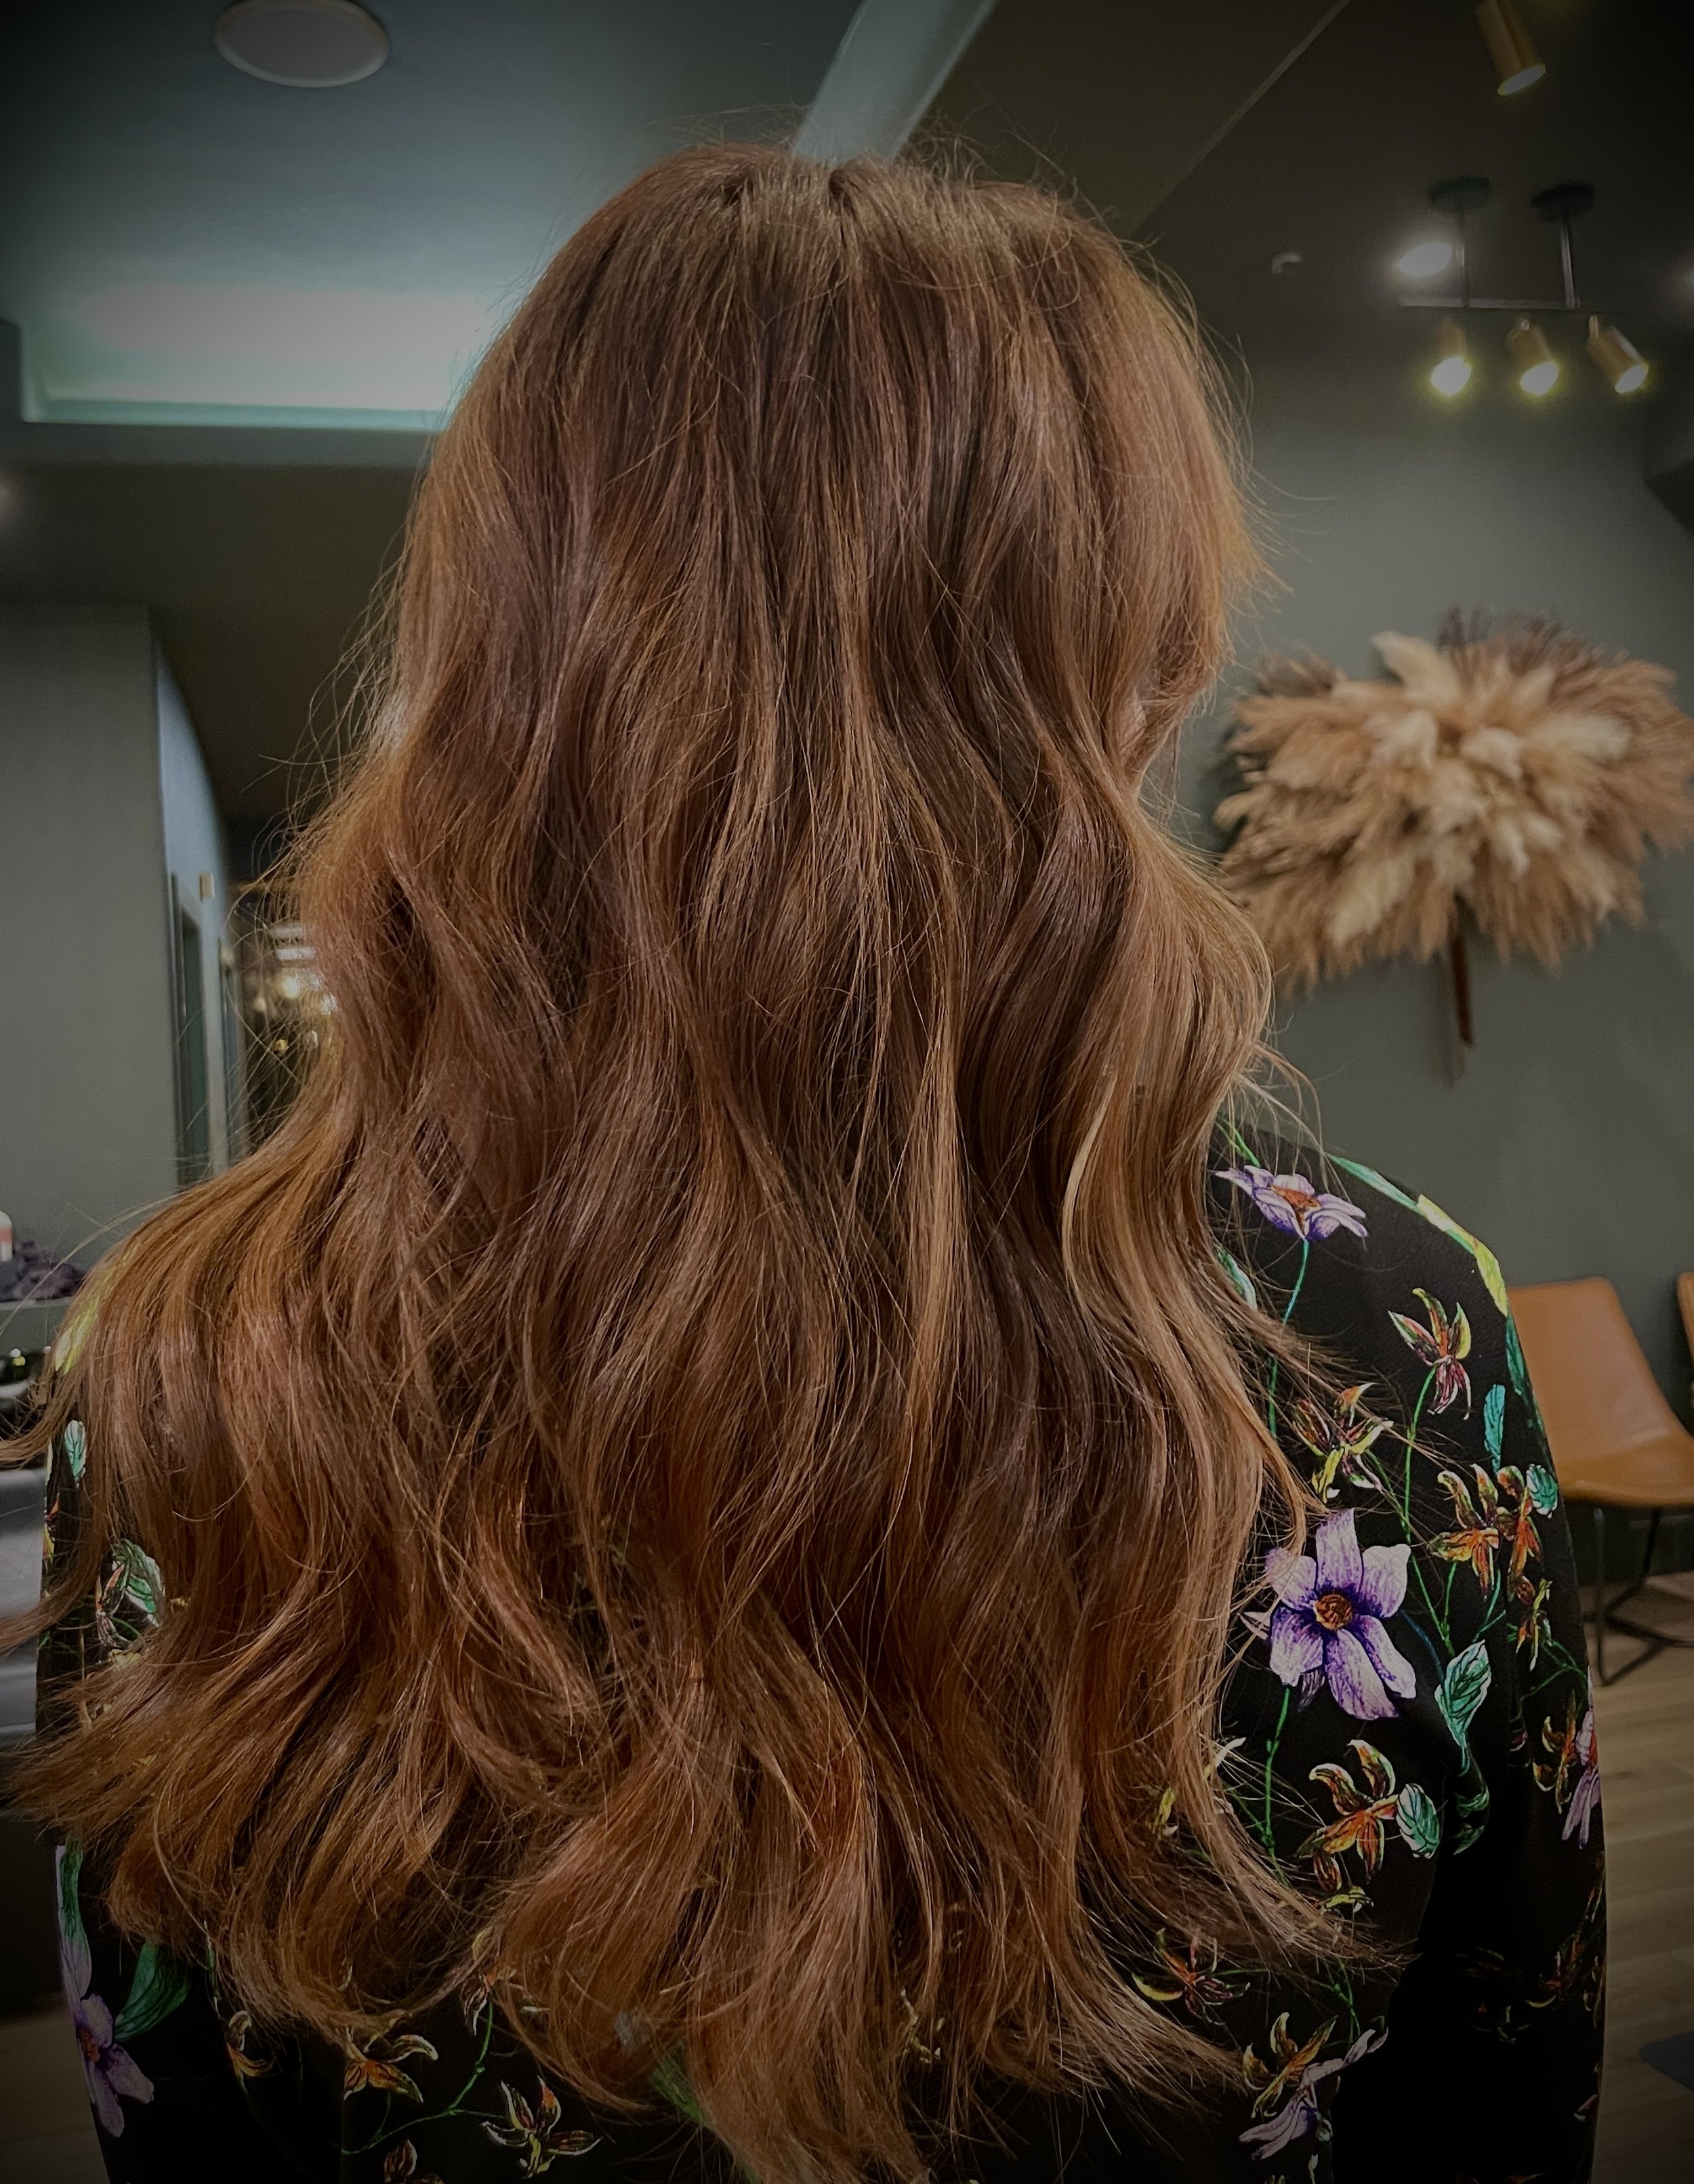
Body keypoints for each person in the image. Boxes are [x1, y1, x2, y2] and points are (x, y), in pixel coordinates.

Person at [7, 146, 1600, 2184]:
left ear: (508, 664)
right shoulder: (1390, 1338)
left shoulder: (185, 1378)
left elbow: (176, 2134)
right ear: (1126, 679)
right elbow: (1501, 2107)